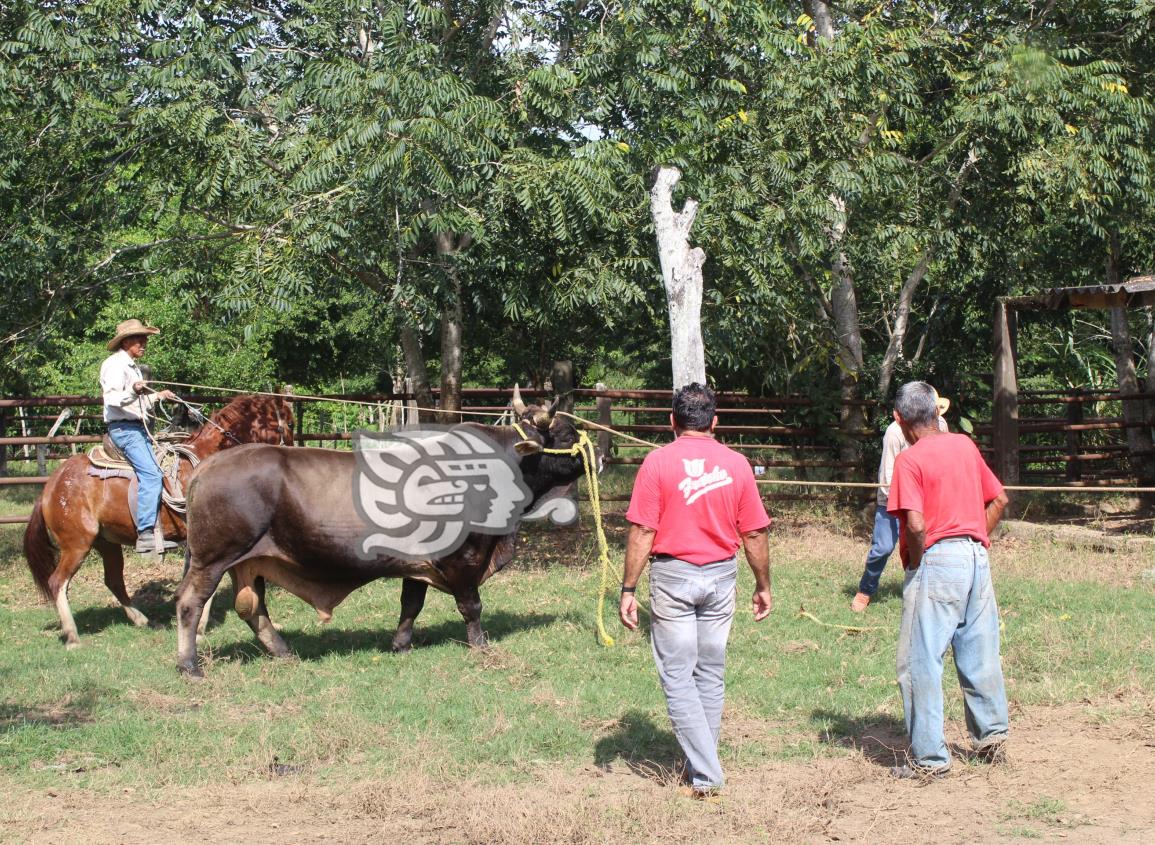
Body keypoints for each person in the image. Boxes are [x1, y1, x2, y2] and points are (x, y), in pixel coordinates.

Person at [619, 383, 772, 798]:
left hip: (672, 578)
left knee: (677, 675)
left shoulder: (656, 463)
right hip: (722, 576)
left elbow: (642, 530)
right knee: (709, 670)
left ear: (673, 422)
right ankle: (702, 765)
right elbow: (754, 533)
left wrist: (628, 587)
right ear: (715, 422)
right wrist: (763, 584)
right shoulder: (737, 464)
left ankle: (706, 773)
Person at [886, 381, 1010, 778]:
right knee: (979, 648)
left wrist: (920, 562)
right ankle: (991, 738)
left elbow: (916, 525)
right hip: (976, 558)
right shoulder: (964, 446)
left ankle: (929, 759)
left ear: (900, 420)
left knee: (918, 661)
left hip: (938, 559)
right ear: (936, 413)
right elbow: (999, 499)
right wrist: (977, 538)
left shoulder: (909, 460)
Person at [850, 390, 950, 613]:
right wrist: (904, 502)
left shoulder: (941, 425)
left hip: (926, 498)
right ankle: (865, 590)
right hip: (892, 498)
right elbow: (887, 474)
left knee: (930, 544)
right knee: (883, 548)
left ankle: (926, 590)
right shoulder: (894, 432)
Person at [100, 319, 179, 553]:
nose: (144, 343)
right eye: (139, 339)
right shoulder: (114, 365)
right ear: (126, 342)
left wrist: (159, 396)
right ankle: (145, 533)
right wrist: (133, 390)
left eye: (145, 339)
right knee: (152, 474)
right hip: (125, 430)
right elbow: (112, 399)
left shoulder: (132, 366)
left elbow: (138, 402)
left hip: (136, 428)